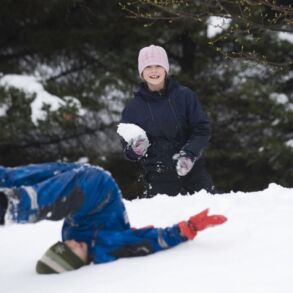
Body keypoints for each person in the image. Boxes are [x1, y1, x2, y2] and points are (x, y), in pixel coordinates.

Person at [0, 162, 227, 274]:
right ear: (77, 263)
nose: (70, 243)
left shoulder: (74, 238)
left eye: (63, 245)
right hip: (100, 192)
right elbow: (151, 241)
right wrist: (187, 228)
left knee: (27, 176)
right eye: (70, 251)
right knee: (76, 185)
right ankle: (15, 207)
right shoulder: (109, 249)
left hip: (84, 186)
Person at [120, 44, 215, 197]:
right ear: (141, 72)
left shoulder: (185, 96)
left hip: (194, 173)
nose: (153, 71)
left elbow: (202, 129)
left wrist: (189, 154)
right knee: (164, 220)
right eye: (148, 66)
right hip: (159, 178)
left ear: (166, 69)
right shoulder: (133, 108)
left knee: (210, 214)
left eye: (158, 66)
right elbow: (127, 149)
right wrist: (136, 150)